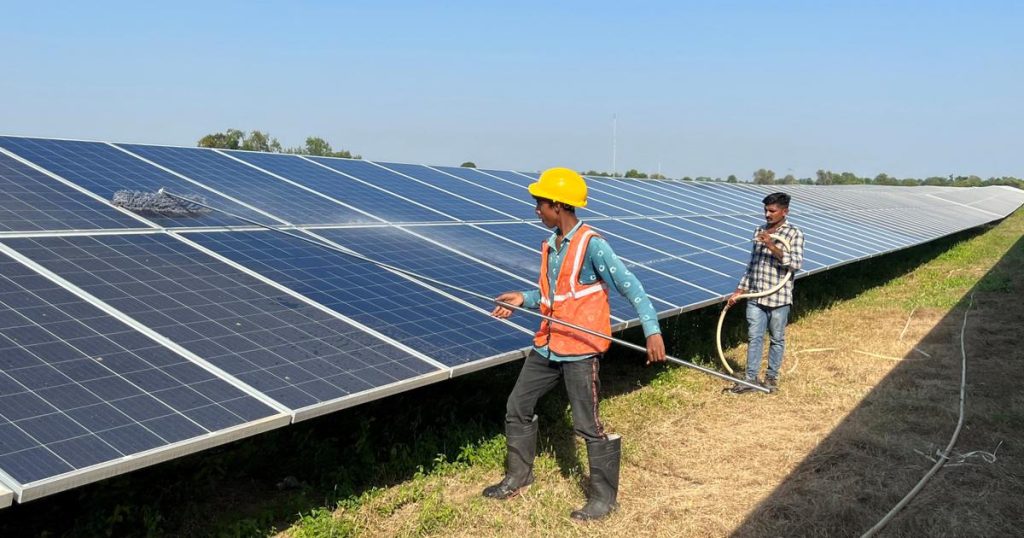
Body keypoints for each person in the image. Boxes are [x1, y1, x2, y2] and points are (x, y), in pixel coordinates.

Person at [484, 167, 666, 521]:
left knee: (587, 424)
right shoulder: (552, 246)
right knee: (517, 406)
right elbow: (556, 295)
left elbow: (632, 287)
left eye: (540, 203)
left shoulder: (592, 246)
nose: (536, 209)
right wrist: (524, 298)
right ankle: (518, 477)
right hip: (548, 345)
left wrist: (652, 330)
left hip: (580, 350)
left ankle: (602, 499)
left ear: (558, 205)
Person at [726, 192, 805, 394]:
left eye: (772, 210)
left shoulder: (794, 233)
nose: (767, 214)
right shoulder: (758, 230)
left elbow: (795, 264)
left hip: (779, 297)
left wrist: (771, 245)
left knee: (777, 339)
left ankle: (771, 378)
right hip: (755, 295)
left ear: (784, 211)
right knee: (754, 337)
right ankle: (750, 379)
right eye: (765, 210)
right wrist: (739, 291)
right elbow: (752, 265)